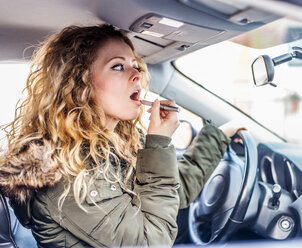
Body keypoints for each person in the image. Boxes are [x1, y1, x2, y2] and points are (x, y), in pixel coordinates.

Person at [0, 24, 243, 247]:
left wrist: (219, 135)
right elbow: (152, 241)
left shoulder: (118, 145)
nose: (137, 75)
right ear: (78, 84)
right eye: (118, 66)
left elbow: (175, 192)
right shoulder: (64, 170)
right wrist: (158, 145)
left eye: (135, 66)